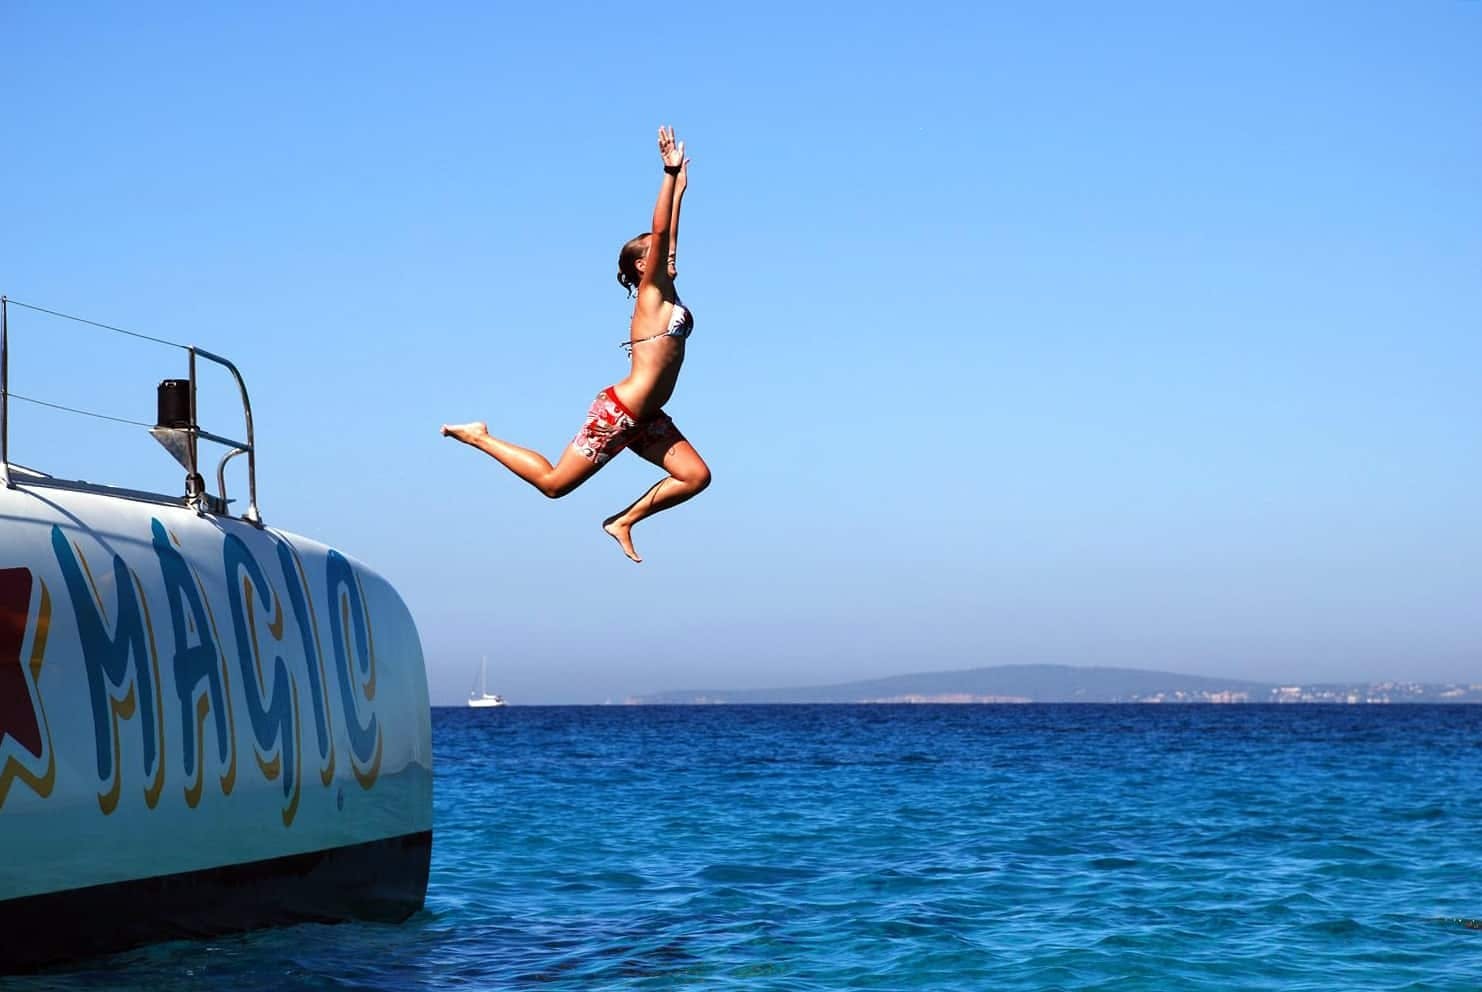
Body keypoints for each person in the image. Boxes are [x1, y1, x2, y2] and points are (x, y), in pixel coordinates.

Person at [441, 126, 710, 563]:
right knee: (554, 485)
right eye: (660, 256)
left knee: (695, 476)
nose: (672, 258)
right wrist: (666, 174)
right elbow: (661, 235)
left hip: (646, 418)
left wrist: (679, 188)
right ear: (644, 265)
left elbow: (669, 237)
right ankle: (479, 437)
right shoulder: (652, 293)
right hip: (620, 413)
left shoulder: (666, 290)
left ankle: (622, 521)